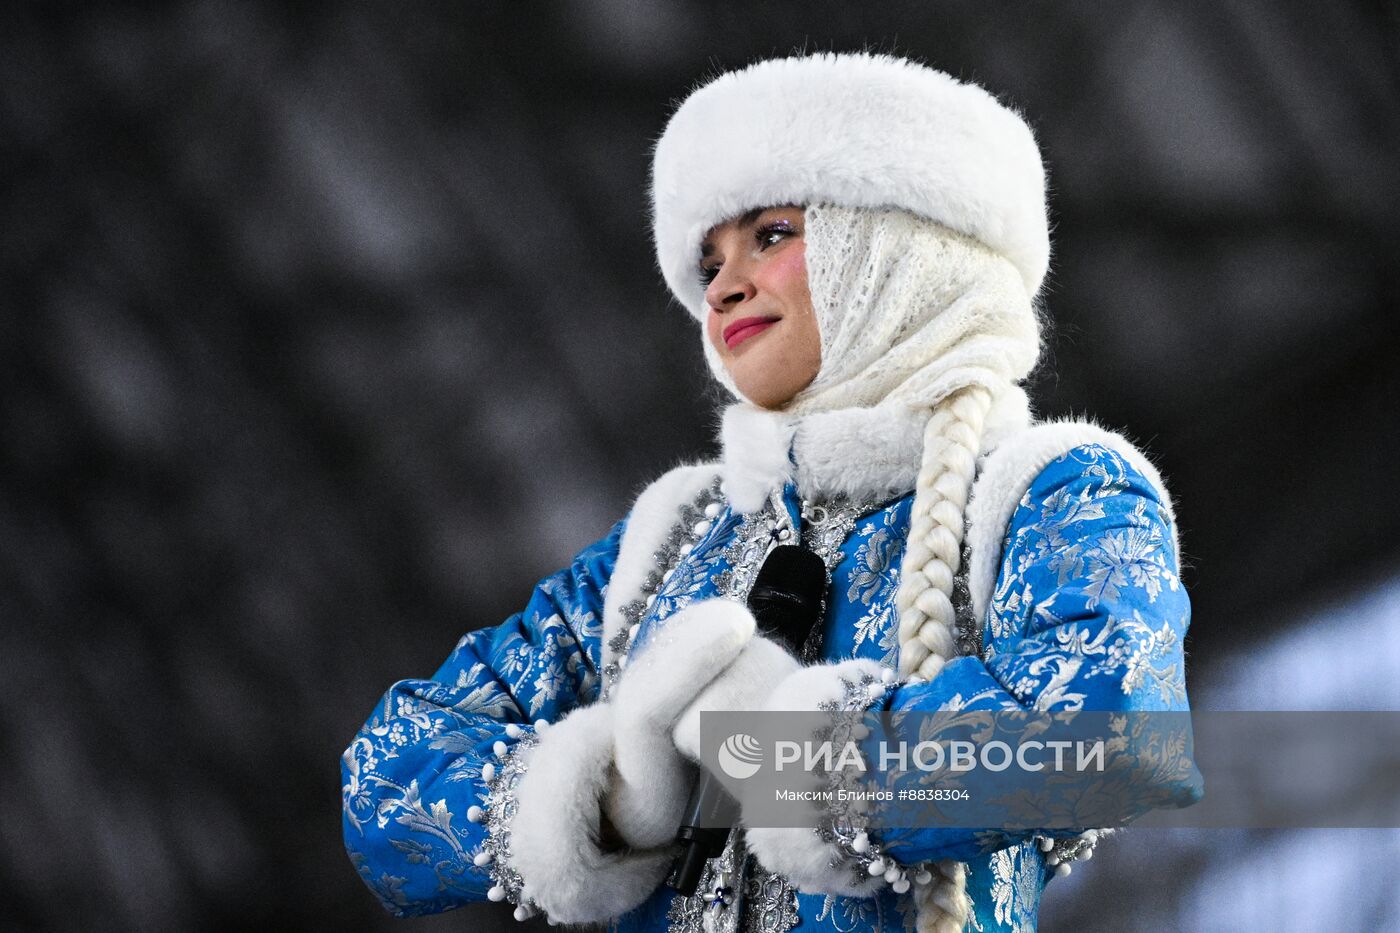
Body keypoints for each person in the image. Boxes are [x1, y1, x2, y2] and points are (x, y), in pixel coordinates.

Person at [340, 52, 1197, 933]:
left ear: (897, 246)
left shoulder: (1051, 493)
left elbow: (1113, 730)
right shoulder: (666, 542)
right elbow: (385, 784)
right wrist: (611, 796)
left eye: (771, 234)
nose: (723, 284)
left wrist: (801, 765)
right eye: (708, 258)